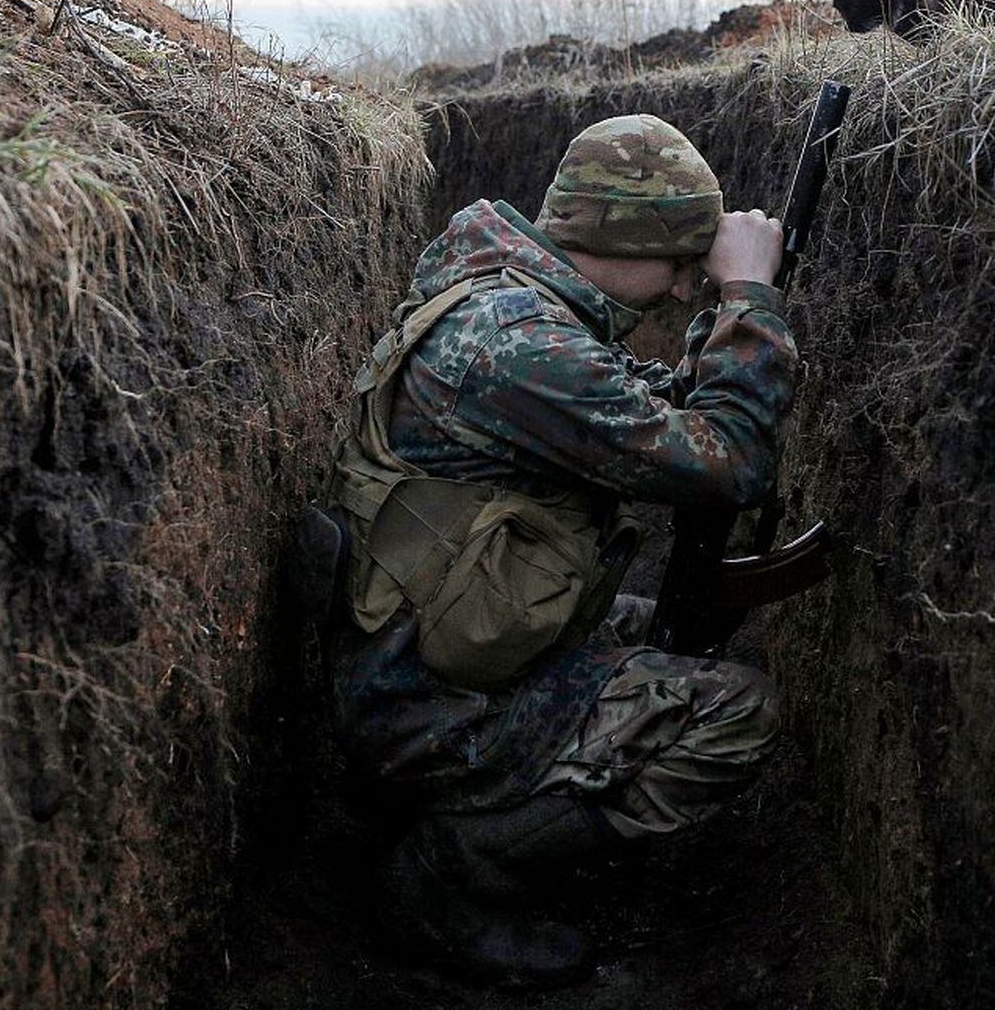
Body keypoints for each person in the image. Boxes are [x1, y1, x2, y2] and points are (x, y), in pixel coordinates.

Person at [317, 114, 798, 988]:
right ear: (624, 239)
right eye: (680, 261)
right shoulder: (519, 346)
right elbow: (729, 465)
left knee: (657, 628)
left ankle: (486, 809)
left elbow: (641, 406)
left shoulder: (505, 301)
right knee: (734, 712)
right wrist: (748, 297)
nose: (685, 284)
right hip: (429, 709)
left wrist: (724, 319)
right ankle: (451, 866)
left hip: (421, 648)